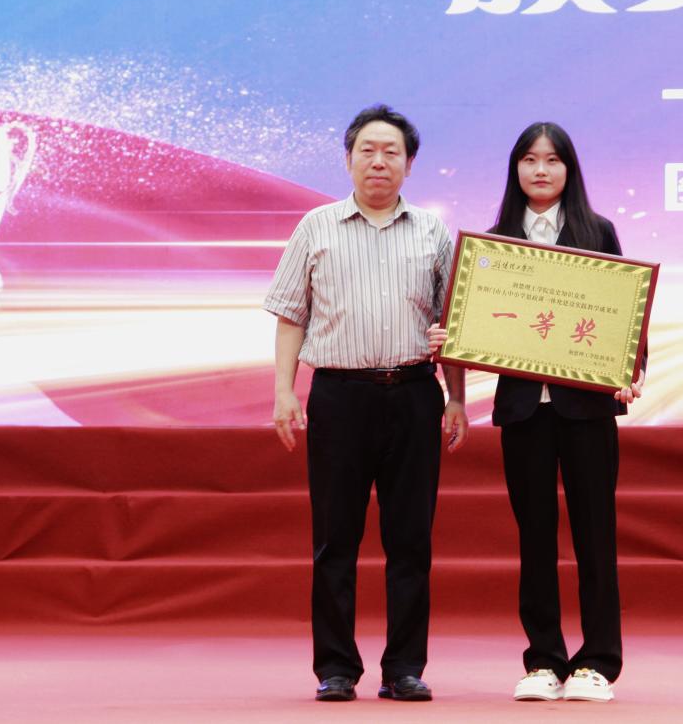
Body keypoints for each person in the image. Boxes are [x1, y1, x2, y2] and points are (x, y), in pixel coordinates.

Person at [429, 122, 643, 703]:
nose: (540, 170)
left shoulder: (598, 232)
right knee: (535, 538)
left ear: (569, 169)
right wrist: (451, 337)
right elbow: (472, 323)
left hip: (587, 409)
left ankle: (598, 663)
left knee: (595, 535)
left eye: (552, 159)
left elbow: (624, 315)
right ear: (515, 169)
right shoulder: (493, 244)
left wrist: (629, 371)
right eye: (529, 159)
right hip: (525, 411)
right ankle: (544, 660)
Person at [264, 104, 468, 704]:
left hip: (413, 394)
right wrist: (283, 391)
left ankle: (404, 668)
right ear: (349, 159)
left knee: (411, 540)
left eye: (391, 152)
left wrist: (456, 397)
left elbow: (454, 327)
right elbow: (290, 315)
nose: (379, 162)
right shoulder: (316, 226)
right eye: (367, 151)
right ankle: (336, 668)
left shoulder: (432, 232)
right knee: (335, 538)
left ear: (409, 164)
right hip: (339, 396)